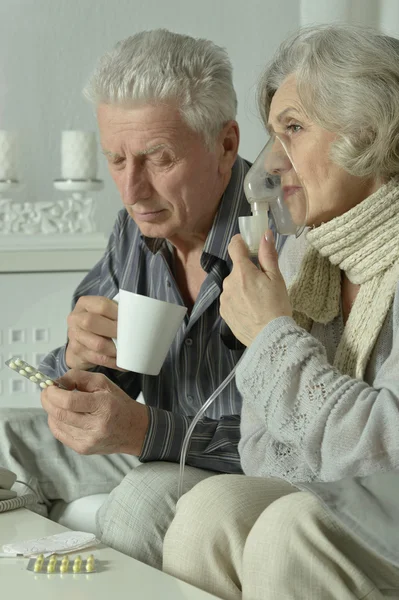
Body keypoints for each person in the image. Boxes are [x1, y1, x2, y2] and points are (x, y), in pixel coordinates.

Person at [0, 29, 262, 569]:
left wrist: (144, 430)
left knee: (139, 505)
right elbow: (99, 378)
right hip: (154, 444)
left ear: (226, 144)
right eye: (116, 160)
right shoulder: (136, 230)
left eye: (157, 158)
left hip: (237, 467)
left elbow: (296, 446)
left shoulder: (280, 239)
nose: (131, 190)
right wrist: (76, 362)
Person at [163, 24, 399, 599]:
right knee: (207, 511)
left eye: (294, 129)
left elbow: (385, 455)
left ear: (370, 130)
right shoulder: (301, 257)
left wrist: (272, 337)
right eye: (274, 134)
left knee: (291, 529)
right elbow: (260, 449)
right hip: (351, 495)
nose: (269, 164)